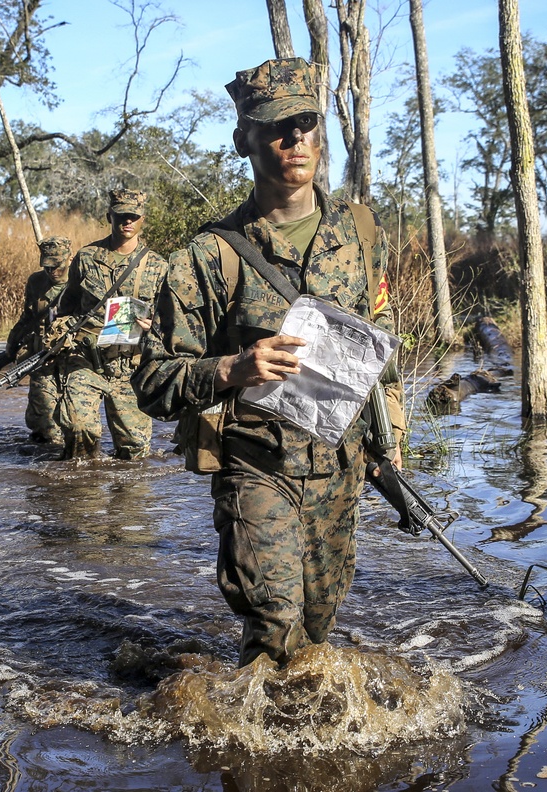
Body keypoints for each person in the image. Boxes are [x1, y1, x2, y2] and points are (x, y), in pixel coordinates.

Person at [132, 57, 406, 667]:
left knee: (316, 630)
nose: (294, 140)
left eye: (306, 124)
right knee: (275, 626)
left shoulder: (363, 234)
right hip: (257, 465)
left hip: (341, 467)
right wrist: (235, 368)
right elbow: (151, 383)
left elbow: (382, 340)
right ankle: (252, 756)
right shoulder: (209, 256)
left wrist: (390, 439)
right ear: (243, 140)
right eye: (276, 128)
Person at [54, 189, 168, 460]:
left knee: (135, 452)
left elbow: (172, 322)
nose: (127, 222)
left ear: (142, 220)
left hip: (130, 367)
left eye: (133, 217)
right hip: (86, 361)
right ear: (110, 217)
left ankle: (124, 502)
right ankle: (81, 497)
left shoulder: (157, 266)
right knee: (77, 431)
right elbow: (67, 307)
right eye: (121, 216)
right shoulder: (86, 257)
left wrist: (153, 325)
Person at [0, 235, 72, 444]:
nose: (53, 271)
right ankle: (43, 453)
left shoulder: (83, 281)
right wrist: (9, 351)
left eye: (57, 266)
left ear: (69, 259)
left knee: (73, 415)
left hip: (72, 358)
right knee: (41, 415)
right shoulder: (36, 282)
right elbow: (27, 318)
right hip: (41, 357)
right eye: (48, 267)